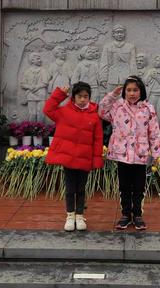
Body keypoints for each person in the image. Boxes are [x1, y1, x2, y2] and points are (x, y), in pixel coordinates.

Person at [99, 75, 160, 230]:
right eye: (129, 90)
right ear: (124, 92)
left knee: (139, 187)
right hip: (122, 154)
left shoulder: (148, 109)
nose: (132, 93)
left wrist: (155, 154)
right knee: (124, 187)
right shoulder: (117, 107)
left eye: (135, 90)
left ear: (141, 91)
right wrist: (112, 95)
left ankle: (138, 215)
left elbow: (154, 132)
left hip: (140, 154)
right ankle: (126, 214)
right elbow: (101, 111)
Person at [43, 82, 104, 232]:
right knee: (70, 189)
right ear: (73, 97)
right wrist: (59, 94)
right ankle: (70, 215)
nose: (83, 99)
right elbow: (48, 109)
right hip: (68, 159)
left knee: (81, 189)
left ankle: (79, 215)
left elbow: (98, 139)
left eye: (86, 96)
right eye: (79, 96)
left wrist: (97, 160)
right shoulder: (64, 111)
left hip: (85, 159)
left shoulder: (94, 115)